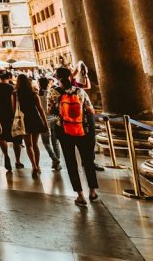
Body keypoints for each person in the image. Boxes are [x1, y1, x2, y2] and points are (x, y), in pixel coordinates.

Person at [47, 66, 99, 206]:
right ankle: (92, 192)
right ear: (70, 77)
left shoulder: (53, 92)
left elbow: (50, 111)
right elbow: (91, 111)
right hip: (82, 130)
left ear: (57, 78)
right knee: (88, 161)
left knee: (70, 162)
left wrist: (59, 118)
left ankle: (80, 195)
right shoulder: (80, 91)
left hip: (64, 131)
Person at [14, 73, 48, 176]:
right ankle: (38, 165)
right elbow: (40, 110)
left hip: (24, 120)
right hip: (35, 119)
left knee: (28, 145)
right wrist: (45, 123)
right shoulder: (34, 94)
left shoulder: (16, 94)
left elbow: (14, 109)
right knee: (35, 144)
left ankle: (33, 166)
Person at [0, 69, 23, 171]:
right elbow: (15, 103)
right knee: (16, 139)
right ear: (9, 77)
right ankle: (17, 161)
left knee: (1, 136)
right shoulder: (12, 87)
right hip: (11, 115)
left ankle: (6, 155)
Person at [37, 75, 62, 170]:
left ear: (39, 84)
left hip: (42, 120)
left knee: (45, 142)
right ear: (48, 83)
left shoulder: (38, 95)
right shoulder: (52, 93)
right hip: (54, 119)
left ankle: (54, 158)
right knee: (55, 142)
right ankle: (57, 162)